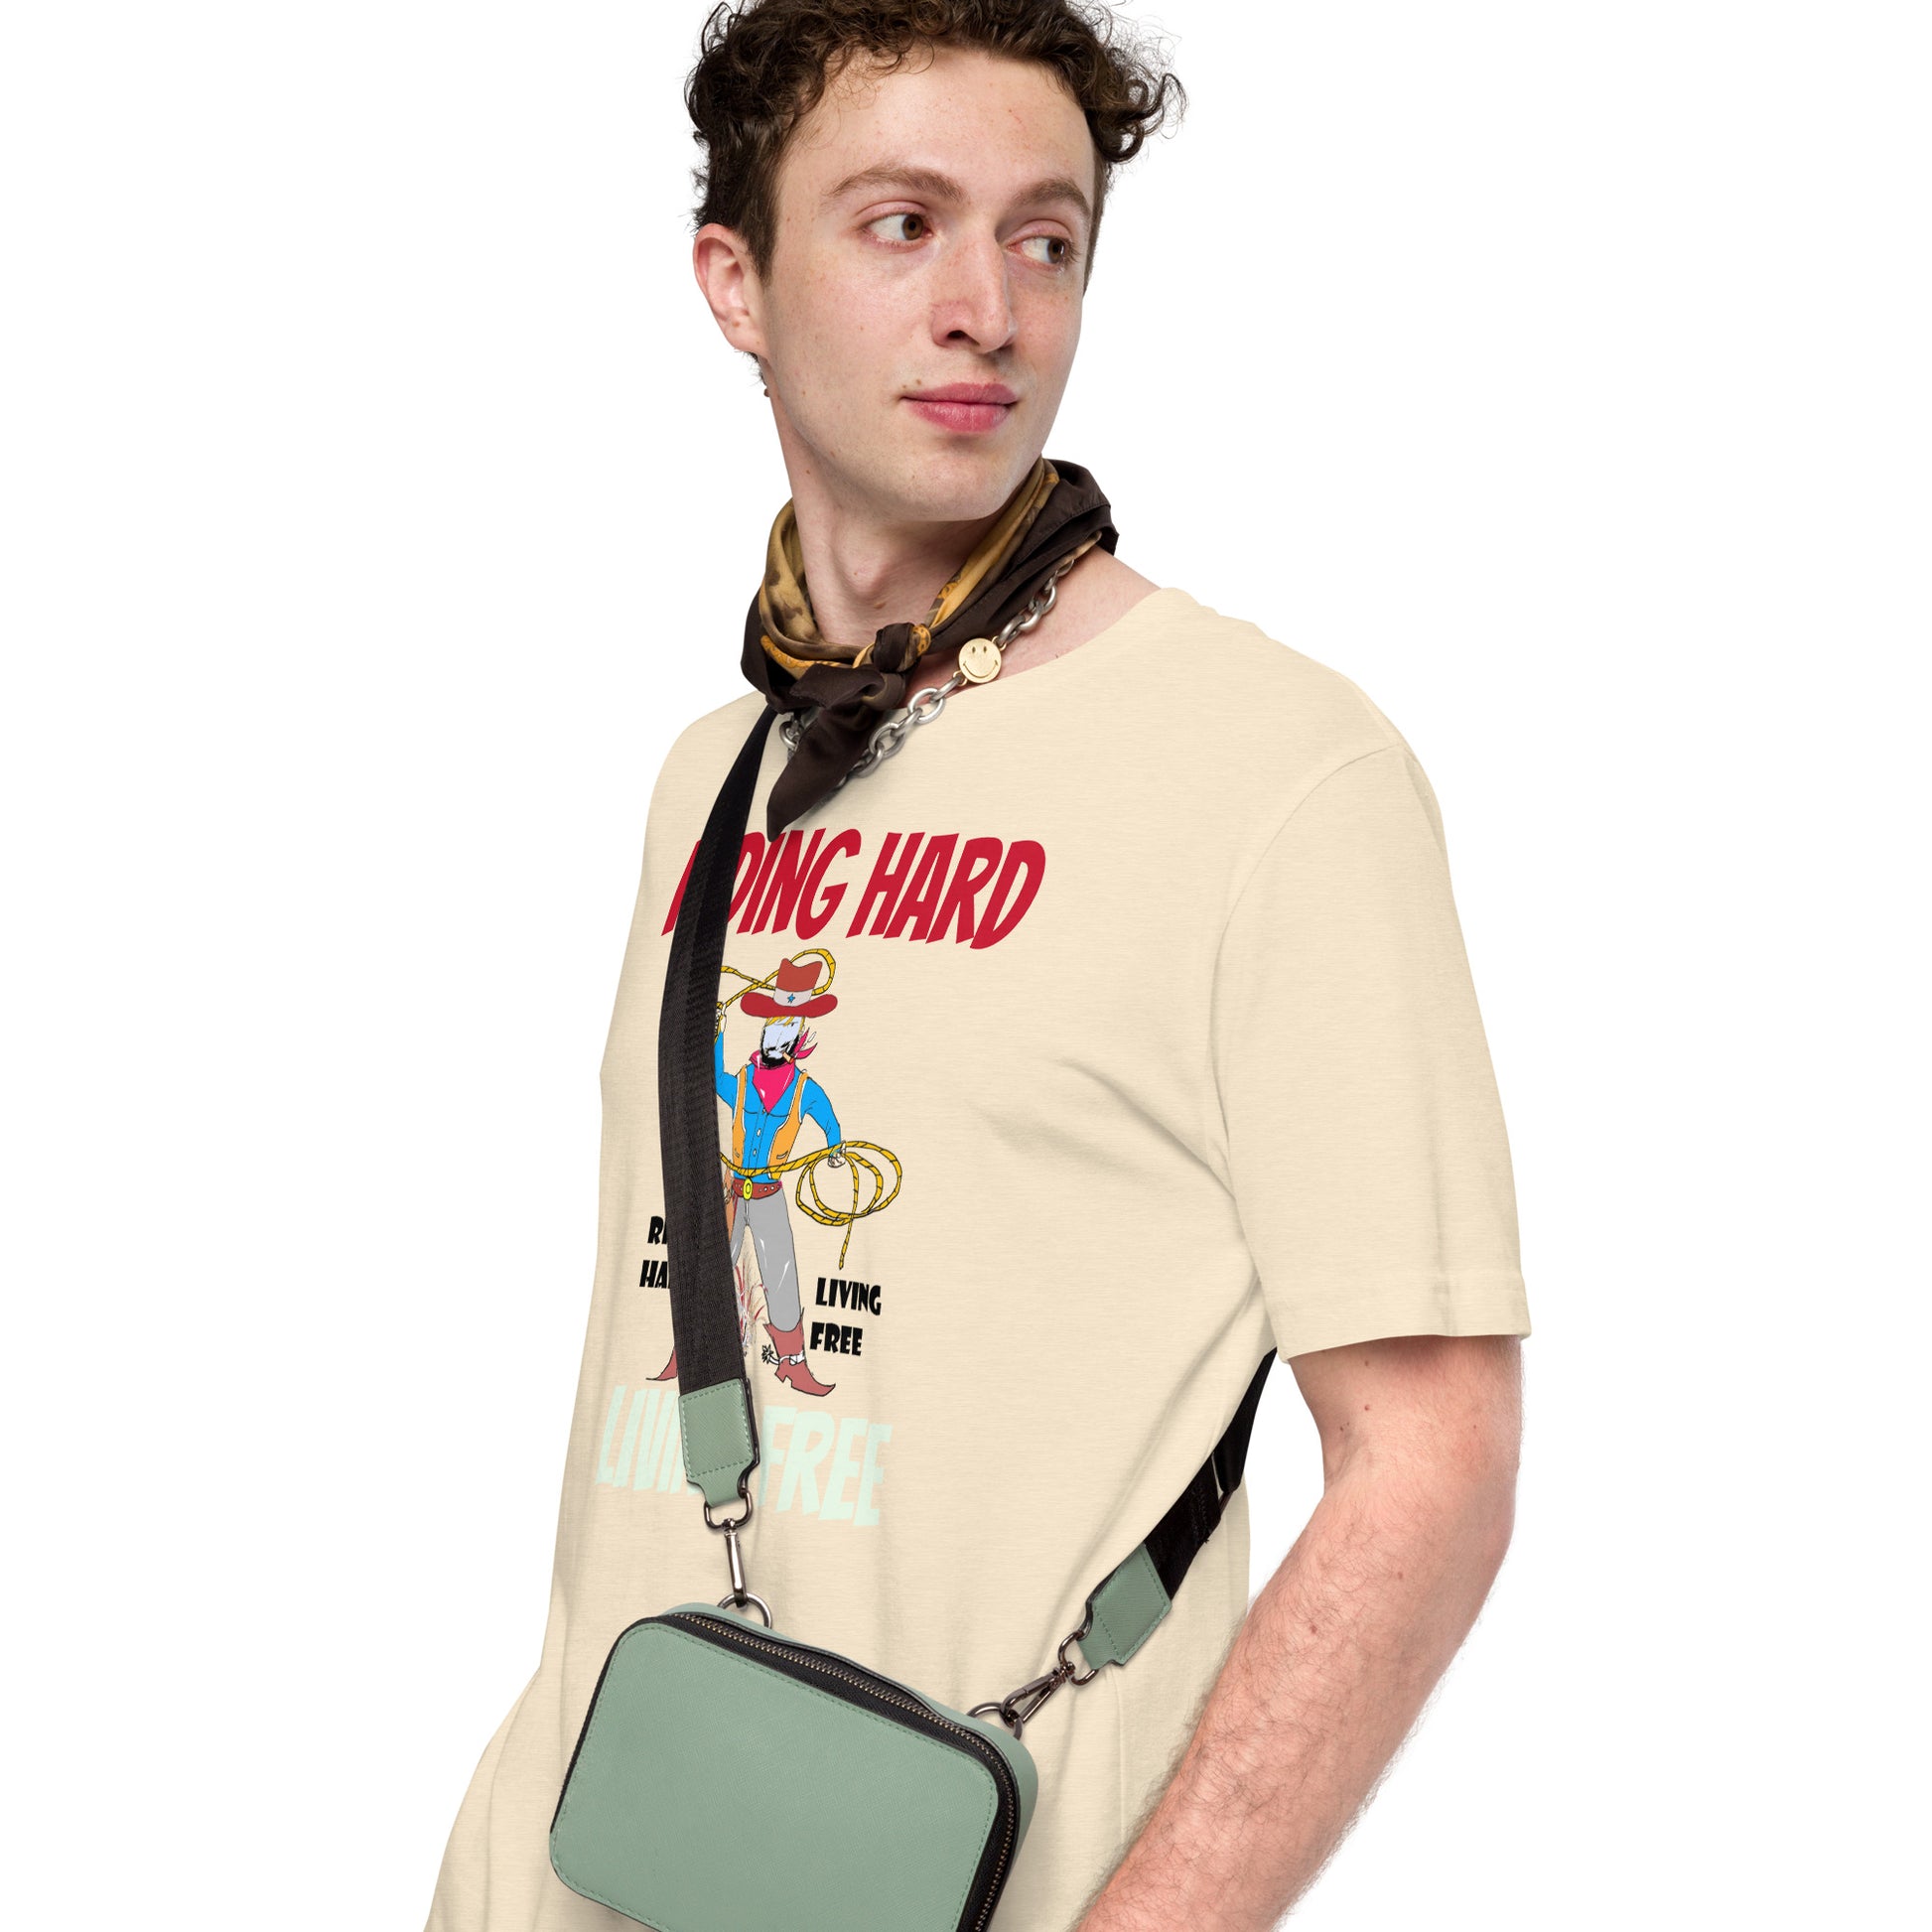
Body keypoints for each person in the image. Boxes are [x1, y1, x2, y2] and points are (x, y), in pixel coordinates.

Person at [424, 4, 1529, 1927]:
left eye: (1043, 238)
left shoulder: (1278, 773)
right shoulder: (717, 771)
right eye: (900, 224)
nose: (986, 311)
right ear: (733, 282)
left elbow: (1430, 1463)